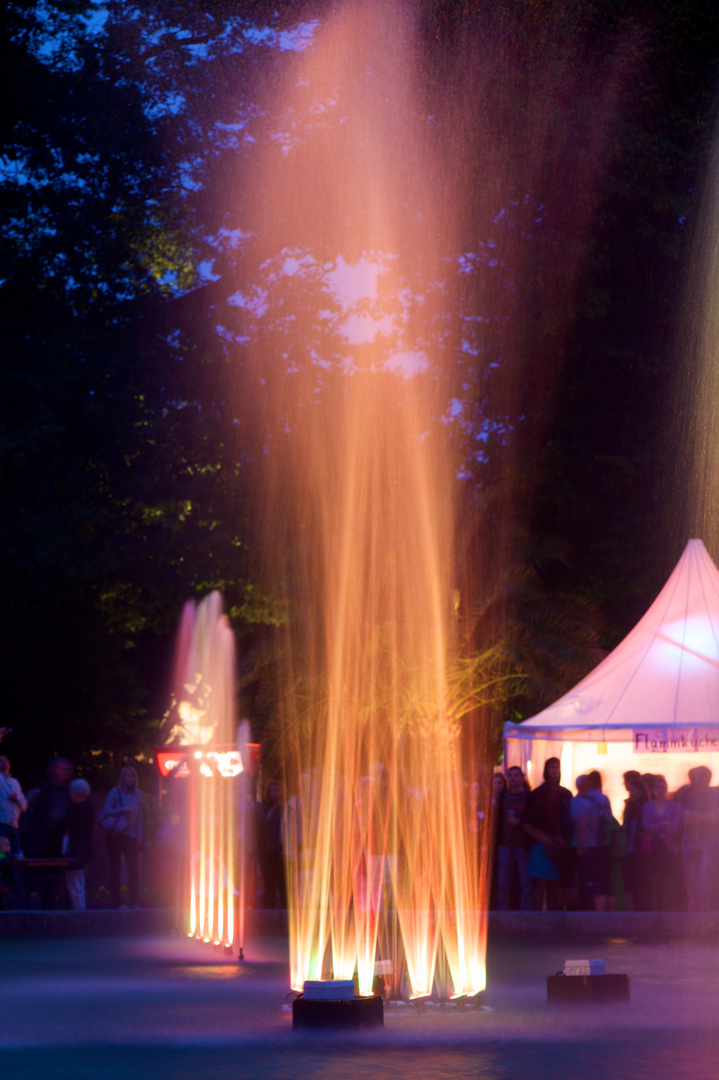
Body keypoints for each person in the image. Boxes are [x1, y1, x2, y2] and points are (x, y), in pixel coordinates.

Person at [524, 757, 573, 910]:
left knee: (556, 884)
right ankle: (540, 918)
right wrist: (544, 838)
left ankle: (555, 918)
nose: (554, 770)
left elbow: (569, 820)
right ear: (546, 770)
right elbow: (527, 823)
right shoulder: (537, 794)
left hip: (559, 844)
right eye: (551, 767)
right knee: (541, 884)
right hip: (541, 843)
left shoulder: (565, 794)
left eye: (556, 767)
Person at [675, 766, 718, 912]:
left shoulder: (715, 795)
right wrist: (705, 817)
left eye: (696, 777)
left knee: (704, 876)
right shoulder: (688, 796)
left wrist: (697, 817)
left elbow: (715, 818)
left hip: (709, 842)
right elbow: (686, 818)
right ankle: (694, 906)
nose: (693, 781)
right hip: (690, 842)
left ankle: (704, 908)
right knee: (690, 878)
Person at [100, 766, 142, 909]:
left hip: (130, 835)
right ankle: (118, 902)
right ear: (122, 778)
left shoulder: (138, 794)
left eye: (132, 776)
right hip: (116, 834)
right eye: (127, 776)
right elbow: (106, 811)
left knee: (134, 869)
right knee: (116, 868)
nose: (130, 779)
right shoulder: (115, 792)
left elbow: (139, 816)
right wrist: (124, 809)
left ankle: (133, 901)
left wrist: (139, 834)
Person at [570, 770, 612, 911]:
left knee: (590, 881)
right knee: (603, 881)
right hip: (604, 845)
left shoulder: (582, 801)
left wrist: (580, 847)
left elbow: (581, 825)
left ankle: (595, 915)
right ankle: (605, 915)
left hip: (588, 845)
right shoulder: (604, 799)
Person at [640, 774, 681, 911]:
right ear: (655, 789)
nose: (661, 789)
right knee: (653, 880)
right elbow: (646, 826)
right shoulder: (648, 806)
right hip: (653, 847)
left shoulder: (675, 806)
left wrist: (655, 826)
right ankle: (655, 908)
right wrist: (664, 823)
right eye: (659, 787)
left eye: (663, 787)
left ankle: (665, 908)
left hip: (668, 848)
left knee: (666, 880)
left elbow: (674, 828)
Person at [496, 766, 533, 911]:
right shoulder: (503, 796)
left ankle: (526, 912)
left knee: (526, 881)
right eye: (510, 776)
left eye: (516, 775)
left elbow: (532, 817)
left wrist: (521, 822)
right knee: (503, 881)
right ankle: (502, 911)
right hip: (505, 843)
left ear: (521, 777)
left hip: (522, 844)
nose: (513, 778)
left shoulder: (528, 796)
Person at [63, 779, 95, 911]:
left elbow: (74, 830)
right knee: (77, 884)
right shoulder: (88, 808)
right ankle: (78, 910)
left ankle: (78, 912)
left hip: (76, 851)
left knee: (75, 884)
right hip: (81, 850)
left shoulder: (78, 809)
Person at [621, 771, 649, 910]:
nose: (629, 792)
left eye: (632, 790)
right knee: (631, 880)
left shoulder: (644, 807)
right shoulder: (630, 807)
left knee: (639, 880)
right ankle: (634, 909)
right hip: (631, 848)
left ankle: (639, 908)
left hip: (640, 848)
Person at [257, 779, 286, 909]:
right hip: (266, 850)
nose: (273, 793)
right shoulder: (266, 808)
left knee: (281, 881)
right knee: (268, 881)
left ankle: (285, 912)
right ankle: (269, 910)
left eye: (276, 790)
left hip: (278, 850)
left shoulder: (284, 808)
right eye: (270, 790)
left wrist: (283, 848)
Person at [0, 754, 27, 856]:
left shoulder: (15, 782)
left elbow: (24, 805)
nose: (3, 762)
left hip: (14, 824)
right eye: (0, 761)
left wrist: (16, 799)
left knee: (15, 855)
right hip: (1, 822)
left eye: (5, 760)